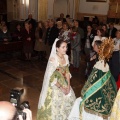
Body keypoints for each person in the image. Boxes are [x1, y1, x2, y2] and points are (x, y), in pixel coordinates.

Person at [68, 38, 117, 120]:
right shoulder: (105, 65)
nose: (93, 45)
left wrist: (85, 90)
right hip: (102, 94)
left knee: (79, 101)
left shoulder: (99, 65)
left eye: (94, 45)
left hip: (96, 95)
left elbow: (93, 79)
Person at [37, 38, 76, 120]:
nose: (66, 49)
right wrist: (61, 88)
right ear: (57, 48)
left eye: (66, 47)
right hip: (56, 84)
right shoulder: (53, 59)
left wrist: (68, 86)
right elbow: (51, 78)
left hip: (64, 82)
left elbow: (67, 73)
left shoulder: (66, 57)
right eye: (63, 47)